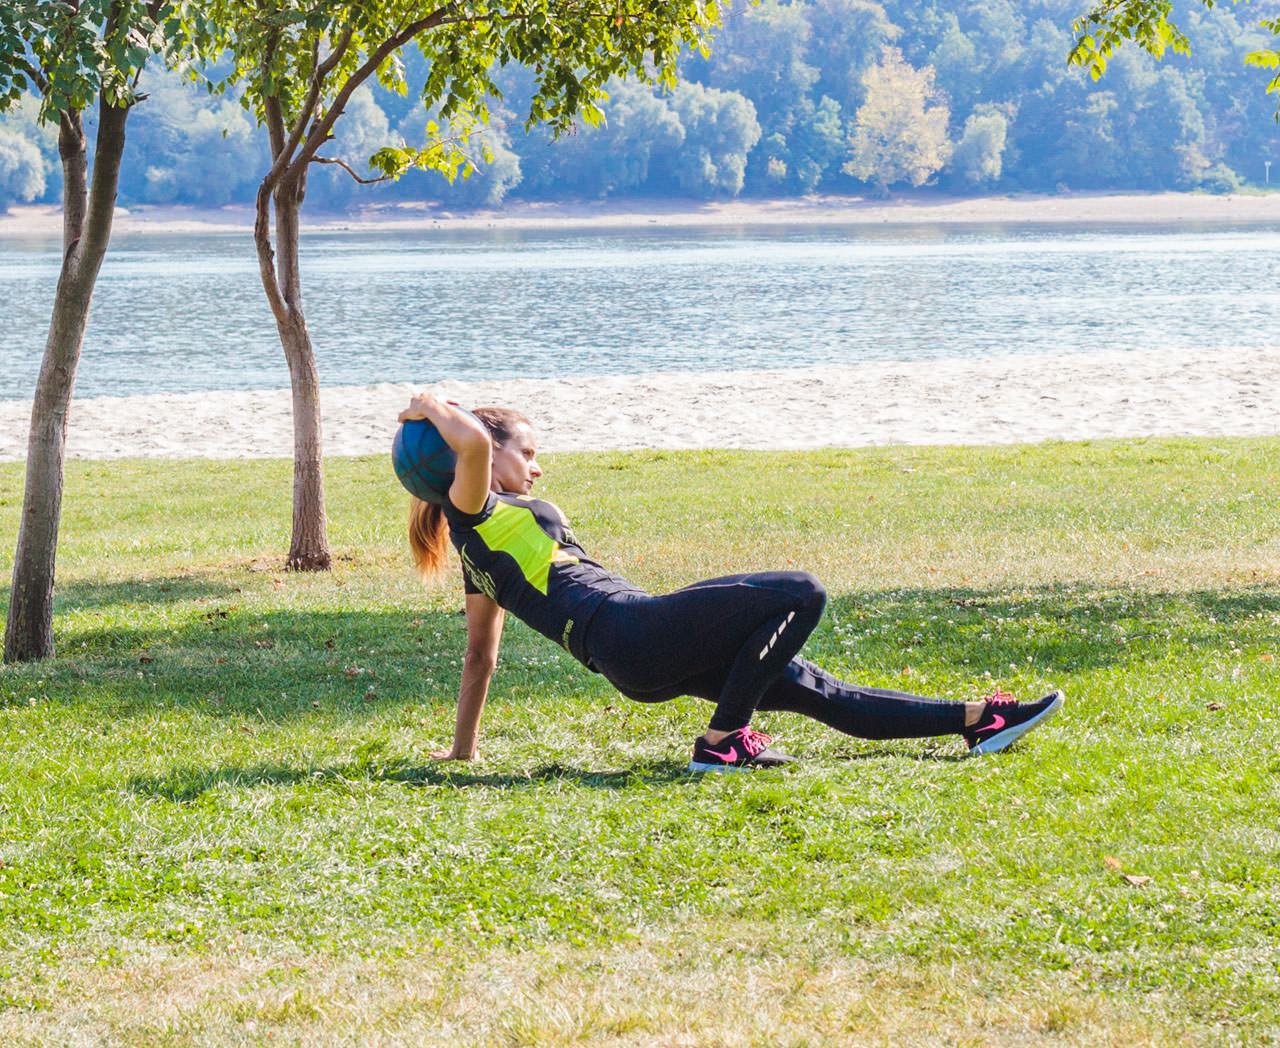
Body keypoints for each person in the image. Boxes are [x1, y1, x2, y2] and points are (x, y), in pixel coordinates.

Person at [400, 394, 1064, 770]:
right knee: (801, 591)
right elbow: (476, 448)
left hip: (632, 663)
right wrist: (430, 404)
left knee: (817, 690)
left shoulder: (478, 554)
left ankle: (978, 721)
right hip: (630, 627)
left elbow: (479, 658)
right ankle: (723, 743)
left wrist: (463, 753)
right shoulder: (475, 510)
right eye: (529, 452)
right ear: (480, 455)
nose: (536, 468)